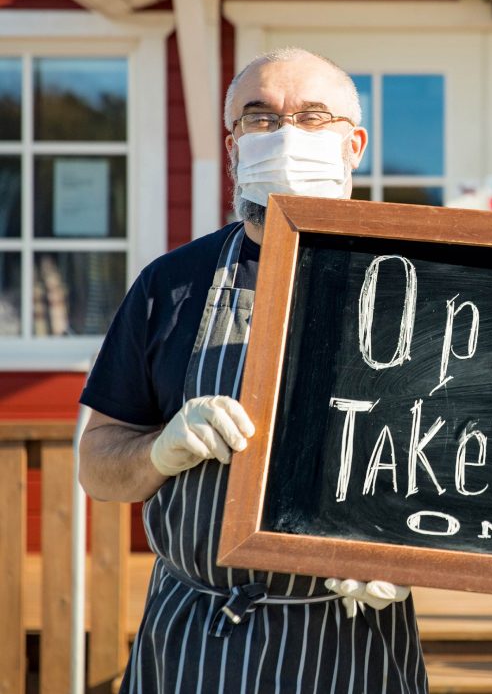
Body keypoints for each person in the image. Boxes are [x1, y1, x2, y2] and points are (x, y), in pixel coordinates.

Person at [78, 47, 427, 693]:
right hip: (193, 645)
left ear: (354, 146)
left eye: (312, 117)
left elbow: (473, 466)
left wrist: (418, 556)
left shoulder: (424, 292)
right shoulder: (170, 285)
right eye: (260, 119)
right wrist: (160, 449)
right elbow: (96, 463)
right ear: (234, 147)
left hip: (355, 642)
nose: (286, 135)